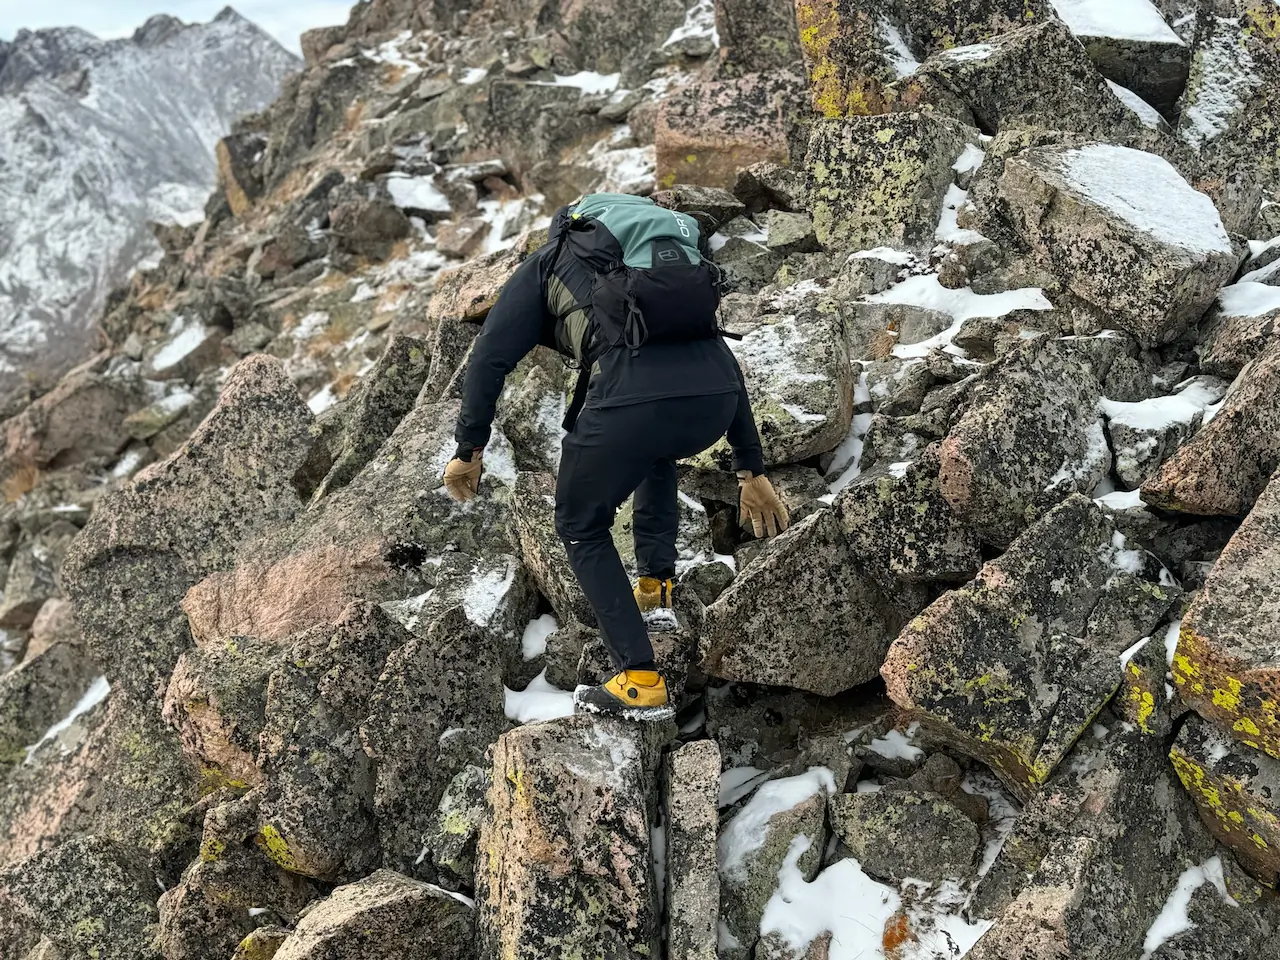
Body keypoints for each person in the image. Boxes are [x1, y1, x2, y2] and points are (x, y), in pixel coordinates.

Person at [443, 193, 789, 720]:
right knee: (655, 453)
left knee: (580, 525)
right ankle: (655, 593)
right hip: (713, 404)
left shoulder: (549, 261)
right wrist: (750, 468)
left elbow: (490, 356)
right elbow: (719, 354)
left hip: (630, 402)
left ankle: (639, 680)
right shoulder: (667, 272)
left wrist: (469, 447)